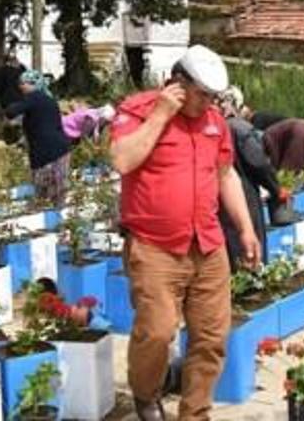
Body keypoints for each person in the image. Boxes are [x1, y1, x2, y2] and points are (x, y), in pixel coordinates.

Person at [110, 45, 260, 421]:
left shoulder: (215, 123)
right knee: (157, 332)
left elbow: (225, 176)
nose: (208, 103)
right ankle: (146, 393)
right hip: (155, 247)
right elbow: (123, 160)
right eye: (201, 94)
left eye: (213, 97)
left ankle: (195, 413)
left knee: (211, 338)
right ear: (178, 82)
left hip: (208, 245)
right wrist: (161, 114)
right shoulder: (138, 110)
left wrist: (245, 228)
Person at [219, 87, 299, 232]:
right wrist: (275, 189)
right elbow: (259, 163)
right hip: (244, 194)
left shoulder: (209, 128)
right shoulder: (240, 129)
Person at [4, 70, 72, 206]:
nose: (20, 86)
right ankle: (58, 217)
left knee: (44, 191)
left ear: (33, 84)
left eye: (23, 83)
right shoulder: (48, 98)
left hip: (48, 151)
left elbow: (11, 112)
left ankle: (53, 219)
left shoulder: (34, 97)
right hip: (59, 148)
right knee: (58, 190)